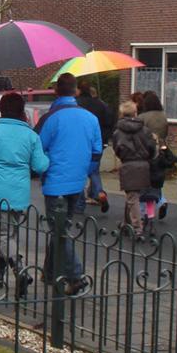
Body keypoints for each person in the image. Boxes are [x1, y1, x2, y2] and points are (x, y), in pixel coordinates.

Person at [0, 91, 49, 297]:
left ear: (1, 110)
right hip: (19, 194)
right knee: (9, 235)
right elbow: (40, 166)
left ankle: (20, 271)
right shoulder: (31, 136)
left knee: (4, 235)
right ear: (22, 111)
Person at [36, 73, 101, 295]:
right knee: (61, 227)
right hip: (77, 183)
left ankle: (76, 276)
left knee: (59, 230)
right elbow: (97, 152)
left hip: (55, 183)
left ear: (56, 91)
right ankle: (49, 272)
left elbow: (38, 149)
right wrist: (85, 172)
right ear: (76, 91)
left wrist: (43, 169)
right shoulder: (90, 118)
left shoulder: (51, 118)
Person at [111, 100, 156, 238]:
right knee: (132, 195)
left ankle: (137, 227)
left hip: (128, 164)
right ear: (135, 113)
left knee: (132, 196)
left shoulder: (118, 132)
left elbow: (117, 149)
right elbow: (152, 148)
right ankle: (127, 222)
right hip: (143, 164)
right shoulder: (145, 130)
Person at [77, 80, 113, 213]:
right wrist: (105, 139)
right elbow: (109, 122)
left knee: (79, 171)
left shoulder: (76, 104)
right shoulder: (101, 104)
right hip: (98, 142)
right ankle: (99, 192)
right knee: (94, 171)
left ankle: (79, 203)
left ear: (79, 90)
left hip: (81, 143)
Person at [138, 90, 170, 219]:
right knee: (157, 179)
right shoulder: (163, 116)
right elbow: (165, 133)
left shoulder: (142, 117)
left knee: (144, 182)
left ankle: (145, 213)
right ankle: (160, 201)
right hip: (160, 151)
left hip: (146, 151)